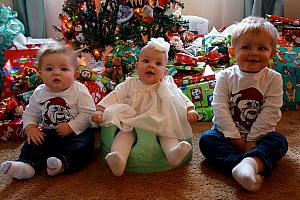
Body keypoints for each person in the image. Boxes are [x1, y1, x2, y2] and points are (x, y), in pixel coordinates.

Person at [199, 16, 288, 192]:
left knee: (279, 141)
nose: (254, 52)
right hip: (227, 134)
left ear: (271, 53)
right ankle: (245, 165)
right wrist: (235, 139)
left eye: (262, 48)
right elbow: (220, 108)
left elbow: (271, 111)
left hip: (260, 136)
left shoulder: (274, 78)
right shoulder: (225, 76)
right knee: (207, 140)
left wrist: (252, 140)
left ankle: (249, 163)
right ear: (233, 52)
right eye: (246, 47)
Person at [91, 37, 199, 177]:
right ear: (137, 66)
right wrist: (100, 110)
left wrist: (190, 108)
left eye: (158, 63)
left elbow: (180, 97)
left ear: (165, 72)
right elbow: (114, 96)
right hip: (132, 121)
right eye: (146, 61)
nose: (151, 66)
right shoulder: (129, 84)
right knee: (125, 135)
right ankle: (118, 159)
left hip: (160, 120)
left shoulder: (166, 84)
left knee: (168, 133)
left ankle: (173, 154)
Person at [0, 43, 96, 179]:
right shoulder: (40, 92)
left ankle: (61, 163)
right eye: (49, 69)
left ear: (75, 74)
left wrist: (71, 126)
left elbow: (88, 113)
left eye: (63, 69)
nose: (56, 73)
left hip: (75, 134)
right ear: (41, 74)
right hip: (49, 132)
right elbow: (31, 112)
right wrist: (31, 127)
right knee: (32, 142)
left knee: (85, 143)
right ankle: (27, 165)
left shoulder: (79, 90)